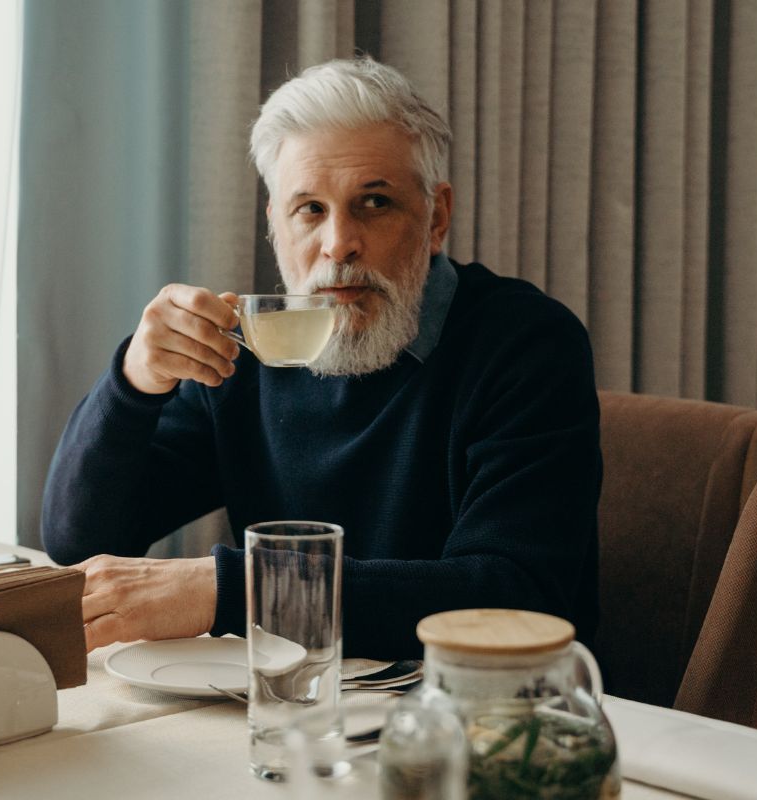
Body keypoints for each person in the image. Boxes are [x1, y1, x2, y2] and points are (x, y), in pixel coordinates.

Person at [41, 56, 601, 659]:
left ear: (436, 219)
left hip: (477, 718)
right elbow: (77, 540)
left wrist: (238, 590)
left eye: (375, 203)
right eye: (310, 209)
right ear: (274, 227)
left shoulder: (526, 345)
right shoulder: (246, 350)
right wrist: (135, 382)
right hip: (295, 706)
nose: (338, 244)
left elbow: (514, 597)